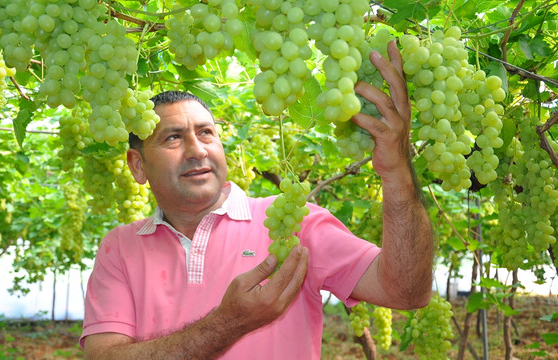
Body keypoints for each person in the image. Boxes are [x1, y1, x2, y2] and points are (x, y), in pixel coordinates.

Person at [80, 41, 434, 360]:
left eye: (206, 132)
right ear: (138, 165)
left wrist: (397, 172)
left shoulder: (295, 223)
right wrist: (229, 323)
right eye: (173, 138)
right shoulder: (120, 248)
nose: (197, 150)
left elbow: (407, 292)